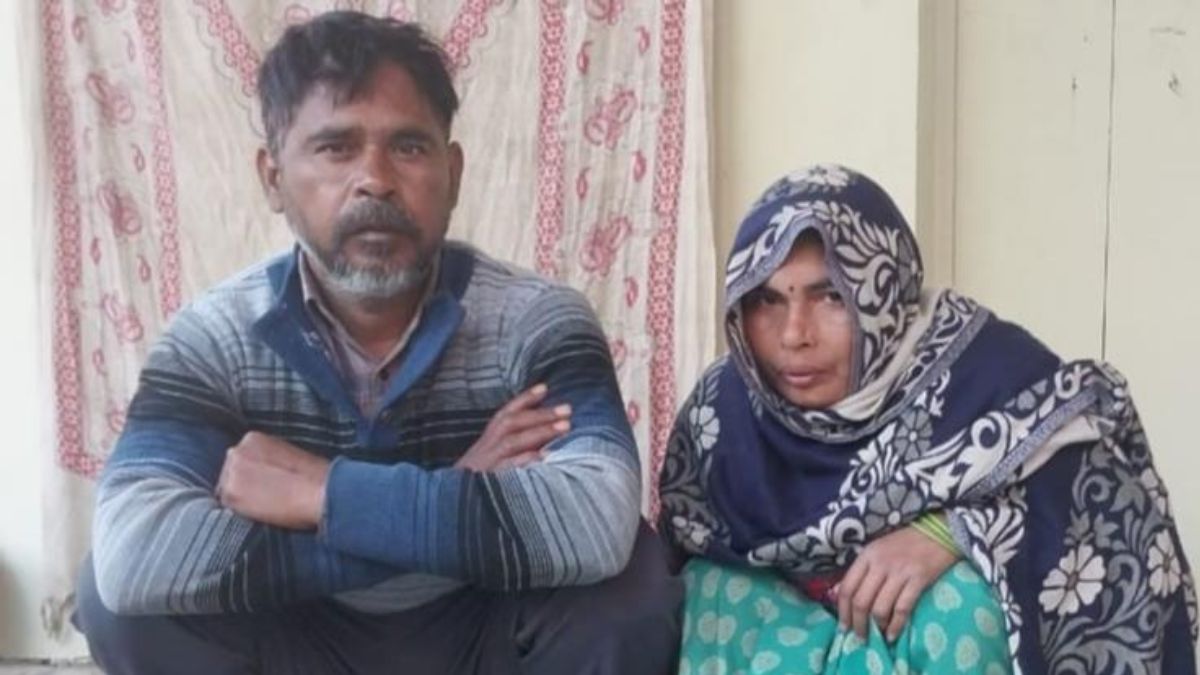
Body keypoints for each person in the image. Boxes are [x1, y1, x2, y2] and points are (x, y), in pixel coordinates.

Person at [72, 11, 681, 674]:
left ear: (453, 173)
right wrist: (451, 491)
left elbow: (594, 520)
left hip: (482, 632)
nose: (376, 179)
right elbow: (134, 550)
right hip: (299, 637)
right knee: (118, 603)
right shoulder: (212, 340)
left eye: (409, 147)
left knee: (630, 588)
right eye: (336, 148)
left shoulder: (539, 321)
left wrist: (322, 494)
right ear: (273, 178)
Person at [658, 164, 1197, 673]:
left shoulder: (986, 373)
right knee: (711, 589)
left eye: (831, 297)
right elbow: (683, 541)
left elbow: (1104, 499)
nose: (794, 334)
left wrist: (953, 532)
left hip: (926, 640)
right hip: (782, 641)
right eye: (767, 301)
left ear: (886, 291)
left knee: (963, 605)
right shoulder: (722, 410)